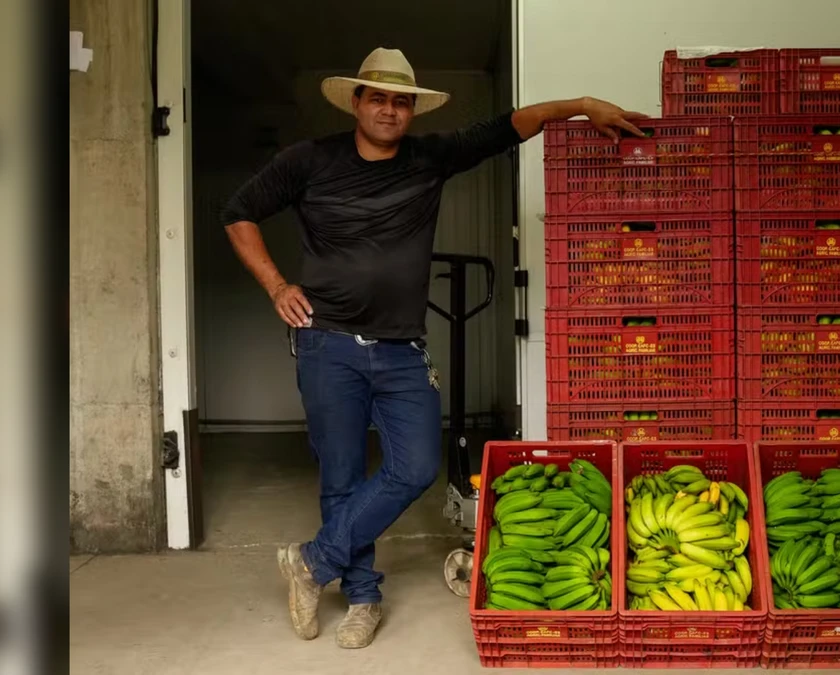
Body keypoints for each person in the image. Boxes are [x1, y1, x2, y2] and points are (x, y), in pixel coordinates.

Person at [220, 47, 644, 649]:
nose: (390, 110)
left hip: (400, 349)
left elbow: (507, 128)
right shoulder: (308, 161)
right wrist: (277, 285)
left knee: (415, 466)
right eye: (379, 98)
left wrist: (577, 106)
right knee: (341, 474)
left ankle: (312, 564)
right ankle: (362, 597)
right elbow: (238, 211)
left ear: (411, 111)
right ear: (358, 103)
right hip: (327, 344)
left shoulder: (429, 158)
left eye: (401, 101)